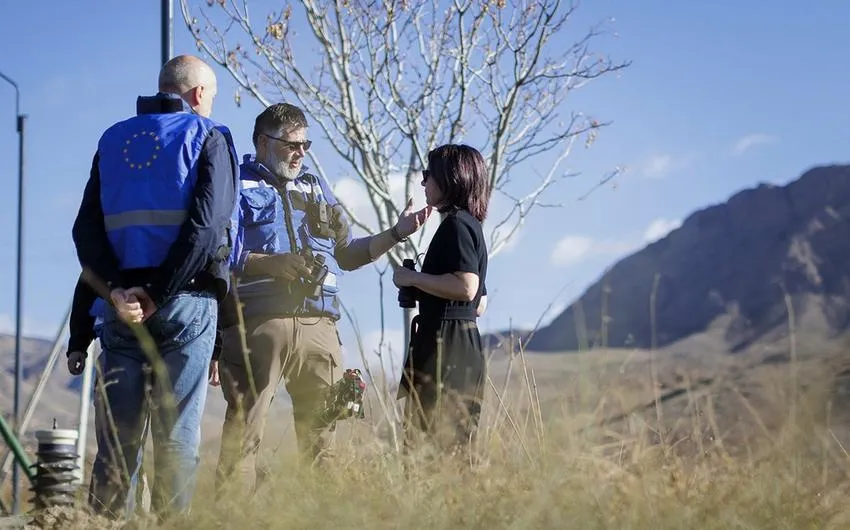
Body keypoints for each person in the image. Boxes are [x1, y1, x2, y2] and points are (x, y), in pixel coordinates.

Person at [215, 102, 432, 493]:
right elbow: (221, 251)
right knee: (243, 439)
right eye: (292, 144)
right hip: (257, 325)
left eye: (306, 145)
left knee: (322, 445)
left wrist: (397, 232)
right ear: (264, 142)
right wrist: (271, 263)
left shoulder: (316, 185)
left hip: (321, 328)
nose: (302, 153)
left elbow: (348, 253)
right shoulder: (236, 181)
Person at [70, 54, 240, 520]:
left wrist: (118, 293)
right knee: (175, 441)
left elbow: (85, 232)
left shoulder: (110, 140)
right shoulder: (210, 136)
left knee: (117, 446)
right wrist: (157, 293)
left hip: (120, 311)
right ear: (199, 94)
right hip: (183, 306)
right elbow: (207, 230)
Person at [392, 144, 490, 460]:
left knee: (432, 453)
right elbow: (479, 303)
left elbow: (466, 287)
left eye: (427, 175)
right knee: (452, 451)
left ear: (450, 179)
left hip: (445, 349)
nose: (423, 184)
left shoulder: (457, 225)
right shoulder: (470, 225)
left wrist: (413, 279)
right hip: (462, 346)